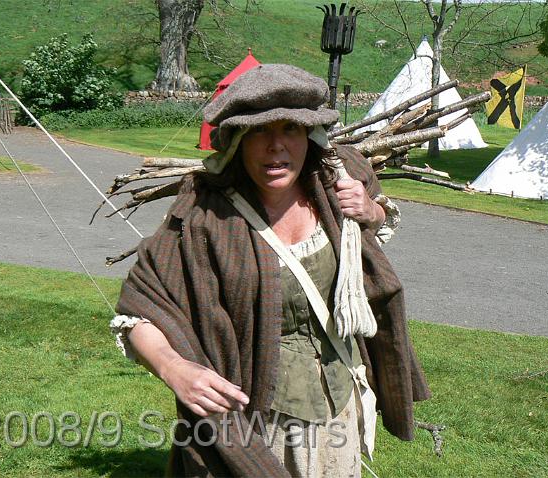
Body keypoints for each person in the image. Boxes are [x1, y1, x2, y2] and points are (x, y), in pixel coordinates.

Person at [111, 64, 430, 477]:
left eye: (290, 130)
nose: (276, 147)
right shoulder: (204, 215)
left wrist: (369, 209)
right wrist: (175, 369)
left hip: (339, 403)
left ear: (309, 136)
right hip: (254, 417)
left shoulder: (336, 181)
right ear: (238, 141)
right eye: (260, 132)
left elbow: (376, 224)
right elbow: (140, 310)